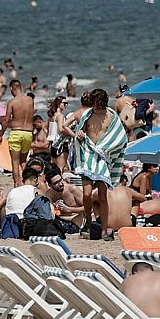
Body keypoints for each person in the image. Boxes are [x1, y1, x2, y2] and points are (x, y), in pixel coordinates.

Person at [60, 89, 128, 239]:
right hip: (88, 156)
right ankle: (89, 221)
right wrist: (79, 134)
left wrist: (106, 148)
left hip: (102, 158)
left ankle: (104, 229)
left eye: (98, 104)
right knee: (87, 193)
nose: (96, 107)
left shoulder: (111, 116)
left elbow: (120, 136)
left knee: (103, 196)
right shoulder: (87, 114)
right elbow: (71, 127)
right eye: (95, 104)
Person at [2, 79, 35, 188]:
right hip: (28, 133)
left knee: (15, 162)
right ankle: (29, 183)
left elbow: (6, 120)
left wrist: (0, 135)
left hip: (16, 132)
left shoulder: (12, 102)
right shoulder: (30, 100)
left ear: (12, 88)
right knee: (23, 161)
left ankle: (17, 185)